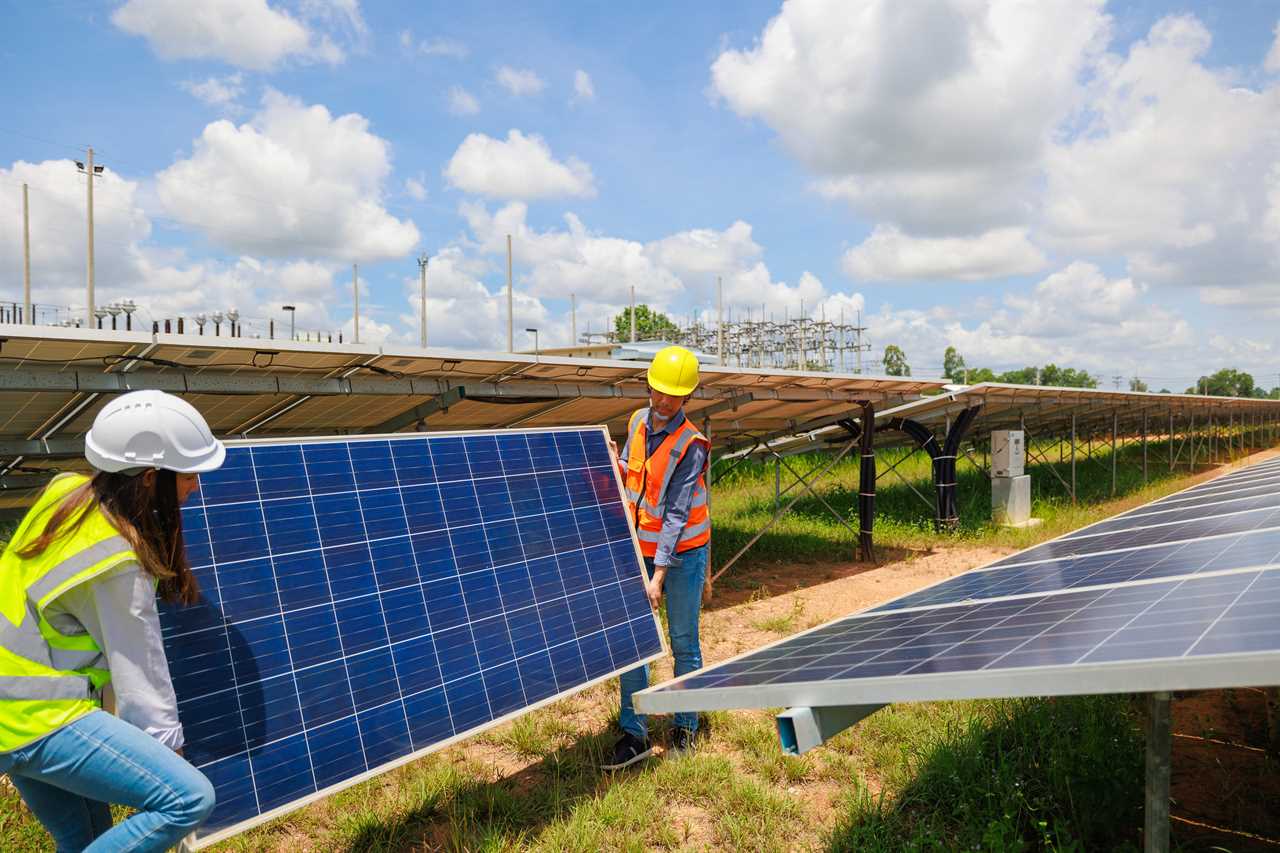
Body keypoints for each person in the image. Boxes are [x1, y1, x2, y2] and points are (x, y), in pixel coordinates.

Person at [0, 389, 225, 852]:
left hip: (13, 706)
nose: (195, 487)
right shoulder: (115, 563)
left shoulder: (65, 493)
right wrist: (170, 755)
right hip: (36, 717)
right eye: (187, 474)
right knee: (187, 798)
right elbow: (140, 678)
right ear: (148, 478)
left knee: (87, 838)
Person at [603, 345, 711, 770]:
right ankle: (634, 732)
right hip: (638, 549)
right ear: (648, 384)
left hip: (681, 553)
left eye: (674, 395)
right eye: (658, 391)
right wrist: (614, 459)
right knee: (634, 642)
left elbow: (678, 515)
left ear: (688, 398)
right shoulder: (637, 421)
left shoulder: (692, 444)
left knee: (683, 640)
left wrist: (659, 575)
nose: (663, 401)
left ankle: (686, 724)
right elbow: (632, 470)